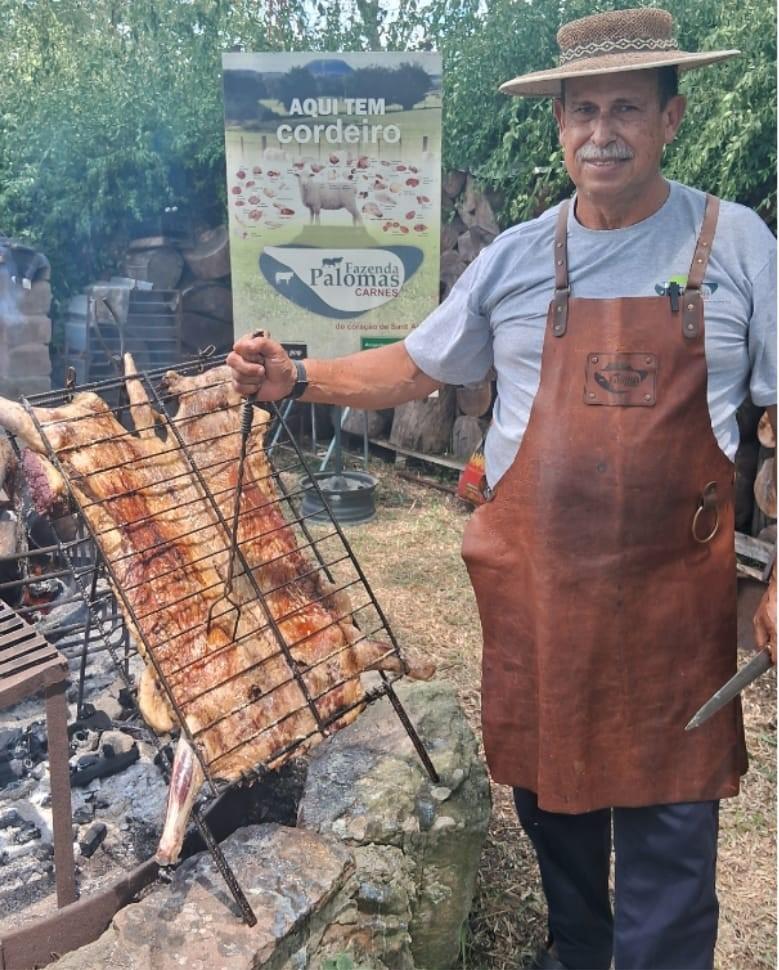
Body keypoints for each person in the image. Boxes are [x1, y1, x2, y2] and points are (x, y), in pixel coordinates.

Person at [228, 8, 777, 969]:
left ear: (671, 116)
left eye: (625, 108)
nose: (600, 132)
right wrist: (300, 378)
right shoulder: (519, 257)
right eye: (581, 111)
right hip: (539, 587)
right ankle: (575, 949)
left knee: (670, 822)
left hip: (673, 601)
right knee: (549, 795)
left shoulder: (735, 246)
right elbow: (417, 365)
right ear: (557, 123)